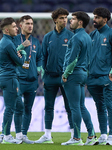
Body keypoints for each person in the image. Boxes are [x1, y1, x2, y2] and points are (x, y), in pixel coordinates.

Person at [34, 8, 74, 144]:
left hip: (65, 77)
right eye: (62, 18)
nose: (65, 20)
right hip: (50, 77)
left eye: (66, 18)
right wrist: (44, 75)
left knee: (70, 107)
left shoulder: (71, 35)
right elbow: (43, 57)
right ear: (55, 20)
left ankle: (74, 135)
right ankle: (47, 135)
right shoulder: (47, 37)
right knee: (48, 107)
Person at [61, 11, 98, 146]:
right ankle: (91, 135)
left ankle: (76, 138)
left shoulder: (76, 38)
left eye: (74, 19)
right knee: (81, 106)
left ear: (80, 22)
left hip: (74, 74)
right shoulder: (87, 37)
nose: (70, 21)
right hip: (83, 73)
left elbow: (73, 58)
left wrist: (65, 74)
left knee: (74, 107)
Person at [87, 7, 112, 145]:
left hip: (106, 77)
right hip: (92, 78)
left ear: (105, 19)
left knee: (110, 106)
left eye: (97, 17)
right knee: (99, 107)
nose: (94, 19)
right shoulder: (92, 35)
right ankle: (103, 135)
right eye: (94, 17)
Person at [0, 17, 31, 144]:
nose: (17, 28)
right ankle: (6, 136)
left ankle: (17, 135)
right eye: (14, 26)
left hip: (6, 77)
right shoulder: (8, 43)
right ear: (7, 29)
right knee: (10, 108)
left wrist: (19, 51)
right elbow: (21, 62)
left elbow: (13, 56)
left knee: (19, 106)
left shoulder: (5, 42)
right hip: (9, 78)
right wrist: (23, 54)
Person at [14, 15, 42, 144]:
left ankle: (24, 135)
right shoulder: (14, 40)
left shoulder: (36, 41)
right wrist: (21, 46)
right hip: (18, 79)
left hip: (32, 81)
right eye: (27, 23)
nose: (30, 26)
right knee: (16, 107)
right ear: (21, 25)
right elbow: (10, 54)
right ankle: (9, 134)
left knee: (28, 109)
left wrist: (39, 68)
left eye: (31, 23)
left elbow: (39, 58)